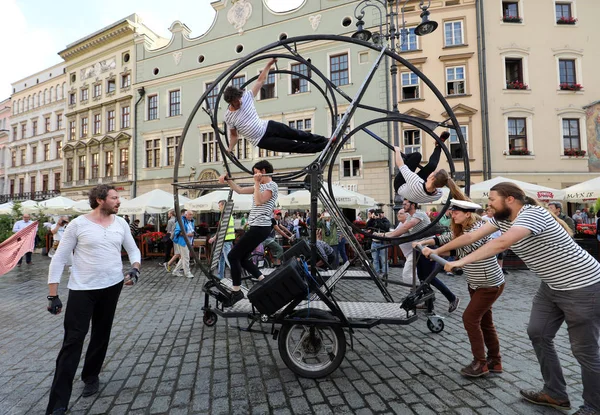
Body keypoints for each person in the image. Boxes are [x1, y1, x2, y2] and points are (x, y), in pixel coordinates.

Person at [431, 182, 600, 414]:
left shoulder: (533, 214)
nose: (488, 203)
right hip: (551, 286)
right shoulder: (501, 218)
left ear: (509, 199)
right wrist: (436, 250)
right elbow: (470, 238)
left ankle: (594, 405)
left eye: (492, 199)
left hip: (583, 285)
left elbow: (500, 243)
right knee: (538, 333)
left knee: (584, 350)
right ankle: (555, 393)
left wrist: (460, 262)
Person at [45, 184, 140, 415]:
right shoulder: (78, 225)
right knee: (72, 341)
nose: (119, 201)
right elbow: (59, 259)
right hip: (82, 290)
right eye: (115, 198)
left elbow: (134, 250)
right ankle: (58, 403)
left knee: (101, 333)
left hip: (112, 286)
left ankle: (91, 376)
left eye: (119, 198)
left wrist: (135, 269)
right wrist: (53, 294)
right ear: (100, 200)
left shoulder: (121, 223)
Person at [418, 199, 505, 378]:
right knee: (485, 322)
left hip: (489, 284)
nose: (452, 214)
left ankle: (480, 363)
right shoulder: (461, 228)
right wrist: (424, 242)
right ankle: (495, 361)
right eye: (452, 211)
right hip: (476, 283)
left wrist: (434, 251)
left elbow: (460, 248)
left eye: (456, 212)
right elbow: (445, 238)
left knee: (470, 319)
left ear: (468, 214)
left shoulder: (475, 231)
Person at [224, 59, 328, 154]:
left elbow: (260, 81)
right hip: (261, 140)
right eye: (236, 102)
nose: (239, 102)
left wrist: (269, 64)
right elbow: (234, 135)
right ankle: (321, 147)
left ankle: (324, 140)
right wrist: (230, 148)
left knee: (296, 133)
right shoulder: (229, 117)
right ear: (230, 102)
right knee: (291, 146)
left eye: (239, 99)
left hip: (268, 126)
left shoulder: (246, 97)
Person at [376, 199, 460, 313]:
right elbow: (398, 233)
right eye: (403, 203)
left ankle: (452, 298)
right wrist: (380, 235)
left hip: (427, 249)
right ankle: (427, 302)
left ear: (413, 204)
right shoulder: (410, 218)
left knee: (429, 278)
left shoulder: (419, 214)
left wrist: (383, 235)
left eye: (406, 203)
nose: (403, 205)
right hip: (418, 250)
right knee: (421, 277)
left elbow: (403, 230)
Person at [220, 160, 278, 307]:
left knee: (233, 256)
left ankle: (236, 291)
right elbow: (239, 190)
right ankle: (263, 280)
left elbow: (259, 202)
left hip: (260, 226)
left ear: (263, 171)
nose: (254, 175)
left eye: (255, 172)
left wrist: (257, 184)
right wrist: (229, 181)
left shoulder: (272, 185)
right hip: (256, 227)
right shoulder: (261, 186)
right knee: (243, 259)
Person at [392, 133, 463, 204]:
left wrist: (397, 151)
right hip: (418, 190)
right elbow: (437, 183)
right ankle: (438, 145)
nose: (431, 173)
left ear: (432, 178)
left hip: (401, 184)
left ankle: (406, 160)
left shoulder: (416, 182)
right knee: (432, 166)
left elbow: (400, 165)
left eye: (433, 173)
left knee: (417, 156)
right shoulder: (438, 194)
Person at [209, 200, 236, 279]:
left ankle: (236, 276)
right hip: (226, 240)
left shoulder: (225, 216)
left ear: (223, 206)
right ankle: (220, 276)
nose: (219, 207)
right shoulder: (228, 215)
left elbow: (222, 230)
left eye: (220, 206)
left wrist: (214, 238)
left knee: (228, 260)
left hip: (225, 241)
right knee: (221, 259)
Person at [366, 209, 391, 277]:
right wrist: (371, 219)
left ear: (383, 214)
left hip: (383, 242)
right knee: (375, 259)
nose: (379, 215)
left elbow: (385, 227)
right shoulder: (374, 221)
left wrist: (378, 219)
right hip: (374, 242)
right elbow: (367, 226)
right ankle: (376, 273)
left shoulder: (386, 221)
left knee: (384, 260)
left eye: (380, 213)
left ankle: (385, 273)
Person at [481, 206, 507, 272]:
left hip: (498, 237)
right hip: (489, 238)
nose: (491, 212)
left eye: (492, 211)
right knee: (491, 254)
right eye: (489, 211)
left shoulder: (497, 218)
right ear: (487, 212)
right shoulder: (483, 218)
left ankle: (499, 268)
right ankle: (491, 268)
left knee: (499, 255)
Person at [172, 210, 196, 279]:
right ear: (186, 215)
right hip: (183, 242)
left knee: (183, 257)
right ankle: (187, 273)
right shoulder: (181, 221)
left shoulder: (191, 221)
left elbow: (192, 231)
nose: (191, 216)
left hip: (189, 241)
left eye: (192, 214)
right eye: (189, 214)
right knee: (186, 257)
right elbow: (178, 232)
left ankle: (175, 271)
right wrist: (188, 234)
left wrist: (192, 240)